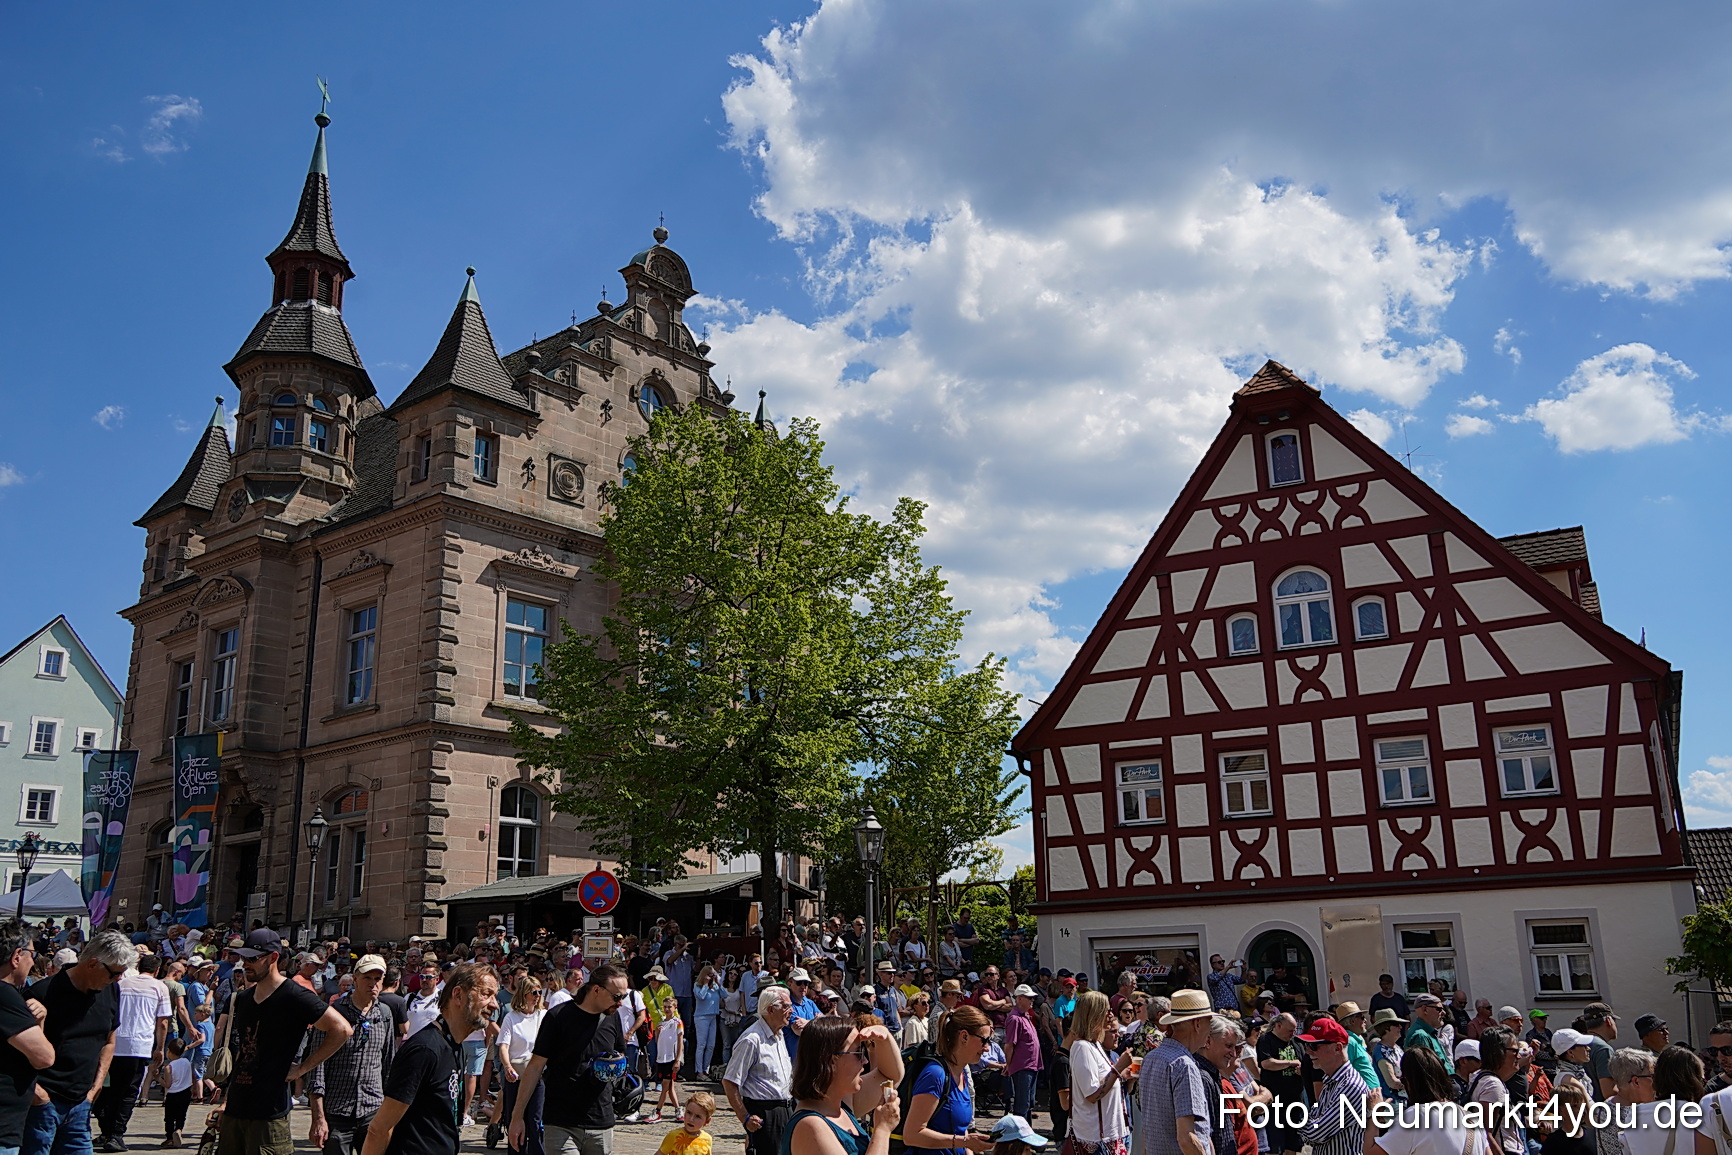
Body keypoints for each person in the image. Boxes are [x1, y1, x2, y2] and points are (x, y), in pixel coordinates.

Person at [219, 928, 354, 1155]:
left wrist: (302, 1068)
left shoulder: (293, 996)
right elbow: (243, 1054)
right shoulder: (242, 999)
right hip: (236, 1108)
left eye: (252, 958)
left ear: (272, 958)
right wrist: (225, 1102)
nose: (245, 964)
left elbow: (341, 1030)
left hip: (270, 1112)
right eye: (243, 958)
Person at [361, 961, 498, 1155]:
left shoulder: (454, 1046)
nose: (494, 1004)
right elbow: (379, 1129)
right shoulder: (424, 1049)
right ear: (458, 995)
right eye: (486, 994)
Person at [23, 931, 132, 1155]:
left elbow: (109, 1040)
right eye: (115, 973)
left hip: (81, 1103)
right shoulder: (42, 993)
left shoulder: (110, 990)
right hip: (43, 1103)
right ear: (93, 964)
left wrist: (96, 1086)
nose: (119, 979)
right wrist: (38, 1093)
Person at [508, 963, 630, 1155]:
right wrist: (517, 1117)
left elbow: (621, 1056)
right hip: (561, 1121)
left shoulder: (612, 1017)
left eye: (624, 996)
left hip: (601, 1121)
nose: (621, 1003)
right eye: (617, 997)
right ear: (596, 990)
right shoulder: (558, 1016)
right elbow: (535, 1067)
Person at [306, 953, 397, 1155]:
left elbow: (389, 1063)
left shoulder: (384, 1014)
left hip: (373, 1108)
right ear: (355, 979)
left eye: (377, 979)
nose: (373, 984)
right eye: (367, 978)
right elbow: (317, 1067)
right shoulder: (334, 1013)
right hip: (338, 1110)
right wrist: (318, 1117)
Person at [782, 1015, 903, 1155]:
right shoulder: (810, 1126)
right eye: (858, 1052)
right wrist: (882, 1130)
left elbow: (890, 1076)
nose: (864, 1060)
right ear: (832, 1060)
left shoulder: (841, 1104)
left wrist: (884, 1037)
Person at [95, 952, 170, 1153]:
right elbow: (162, 1022)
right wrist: (160, 1048)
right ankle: (116, 1134)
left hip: (115, 1043)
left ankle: (108, 1131)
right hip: (140, 1046)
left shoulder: (121, 984)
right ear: (157, 970)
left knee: (111, 1090)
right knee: (129, 1092)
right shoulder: (159, 987)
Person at [902, 1004, 994, 1155]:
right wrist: (964, 1142)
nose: (987, 1048)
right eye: (984, 1040)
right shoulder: (935, 1074)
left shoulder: (962, 1073)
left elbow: (960, 1131)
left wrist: (969, 1146)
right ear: (964, 1036)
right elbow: (912, 1135)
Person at [1138, 989, 1213, 1155]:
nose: (1210, 1031)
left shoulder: (1151, 1058)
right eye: (1210, 1023)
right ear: (1198, 1024)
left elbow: (1149, 1126)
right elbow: (1186, 1138)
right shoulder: (1184, 1065)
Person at [0, 926, 54, 1155]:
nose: (33, 962)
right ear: (16, 957)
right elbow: (44, 1057)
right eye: (32, 954)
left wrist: (38, 1021)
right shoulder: (5, 996)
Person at [1366, 1047, 1479, 1155]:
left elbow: (1370, 1152)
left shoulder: (1416, 1117)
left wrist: (1374, 1114)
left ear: (1410, 1083)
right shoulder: (1470, 1119)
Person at [724, 985, 795, 1155]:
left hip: (786, 1110)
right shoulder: (751, 1040)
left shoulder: (779, 1035)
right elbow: (729, 1081)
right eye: (786, 1007)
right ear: (771, 1009)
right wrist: (745, 1117)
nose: (791, 1011)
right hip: (764, 1115)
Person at [1294, 1017, 1369, 1155]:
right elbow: (1312, 1134)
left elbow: (1316, 1134)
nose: (1308, 1052)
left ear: (1337, 1048)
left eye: (1314, 1046)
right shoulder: (1331, 1080)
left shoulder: (1350, 1086)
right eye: (1307, 1046)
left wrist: (1303, 1123)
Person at [496, 977, 547, 1155]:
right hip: (516, 1074)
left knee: (535, 1120)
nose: (537, 996)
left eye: (540, 992)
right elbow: (503, 1045)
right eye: (533, 992)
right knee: (514, 1119)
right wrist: (507, 1066)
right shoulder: (512, 1017)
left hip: (537, 1075)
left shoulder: (543, 1015)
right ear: (523, 994)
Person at [1256, 1014, 1305, 1155]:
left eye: (1294, 1030)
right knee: (1275, 1144)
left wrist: (1302, 1070)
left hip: (1295, 1100)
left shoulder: (1296, 1042)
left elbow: (1304, 1063)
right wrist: (1290, 1063)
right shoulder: (1266, 1040)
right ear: (1278, 1025)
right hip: (1275, 1102)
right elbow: (1266, 1063)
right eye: (1290, 1030)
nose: (1292, 1034)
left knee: (1294, 1144)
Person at [1468, 1027, 1521, 1155]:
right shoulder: (1492, 1084)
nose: (1518, 1056)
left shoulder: (1481, 1077)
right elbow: (1486, 1134)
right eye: (1514, 1051)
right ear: (1498, 1052)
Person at [1002, 988, 1040, 1123]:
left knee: (1029, 1102)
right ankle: (1019, 1138)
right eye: (1028, 998)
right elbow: (1009, 1044)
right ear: (1018, 999)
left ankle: (1027, 1134)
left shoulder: (1025, 1016)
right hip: (1022, 1066)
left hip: (1032, 1065)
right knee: (1022, 1104)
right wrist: (1009, 1065)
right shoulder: (1014, 1018)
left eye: (1032, 998)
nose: (1032, 1000)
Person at [653, 997, 685, 1122]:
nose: (666, 1009)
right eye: (665, 1007)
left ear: (674, 1008)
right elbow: (658, 1041)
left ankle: (658, 1110)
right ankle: (678, 1109)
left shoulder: (677, 1022)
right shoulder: (661, 1023)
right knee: (669, 1085)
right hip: (662, 1058)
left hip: (671, 1058)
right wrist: (657, 1032)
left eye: (669, 1007)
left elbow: (680, 1042)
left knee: (665, 1085)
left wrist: (678, 1059)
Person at [160, 1038, 193, 1149]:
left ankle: (170, 1138)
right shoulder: (187, 1062)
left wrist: (157, 1078)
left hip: (173, 1094)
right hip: (186, 1093)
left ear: (168, 1051)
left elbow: (167, 1084)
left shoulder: (169, 1067)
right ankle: (179, 1130)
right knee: (181, 1116)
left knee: (169, 1118)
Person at [1404, 995, 1452, 1069]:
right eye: (1439, 1009)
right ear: (1425, 1010)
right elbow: (1427, 1072)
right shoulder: (1420, 1036)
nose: (1444, 1013)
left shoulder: (1428, 1032)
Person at [694, 966, 722, 1081]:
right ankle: (699, 1071)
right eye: (710, 975)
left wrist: (718, 983)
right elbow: (700, 996)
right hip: (701, 1017)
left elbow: (724, 995)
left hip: (713, 1016)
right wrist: (705, 984)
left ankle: (706, 1069)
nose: (711, 977)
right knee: (701, 1044)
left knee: (711, 1045)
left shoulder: (715, 986)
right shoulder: (697, 985)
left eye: (713, 975)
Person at [1369, 1010, 1405, 1098]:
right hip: (1392, 1103)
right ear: (1386, 1028)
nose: (1400, 1027)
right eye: (1396, 1024)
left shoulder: (1397, 1047)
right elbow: (1392, 1083)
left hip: (1403, 1100)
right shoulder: (1380, 1051)